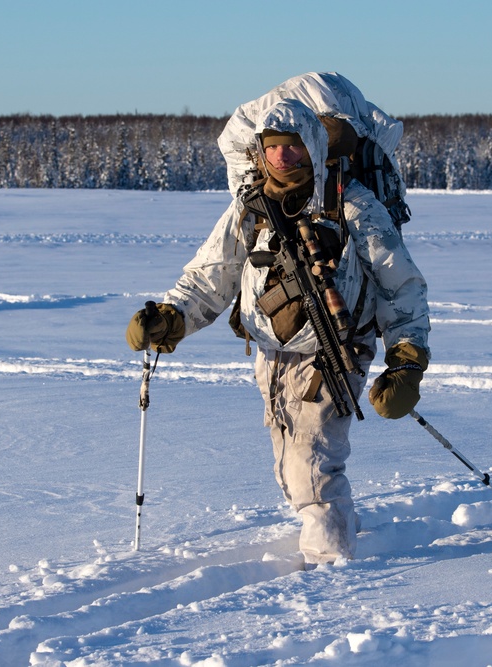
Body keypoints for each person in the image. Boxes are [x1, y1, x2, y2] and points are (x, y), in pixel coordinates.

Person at [126, 97, 430, 567]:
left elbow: (400, 285)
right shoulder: (249, 207)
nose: (281, 159)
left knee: (311, 461)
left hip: (335, 349)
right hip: (270, 353)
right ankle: (338, 525)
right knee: (291, 464)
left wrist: (406, 362)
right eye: (272, 149)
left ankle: (332, 568)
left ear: (310, 147)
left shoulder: (352, 204)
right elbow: (212, 275)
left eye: (291, 149)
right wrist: (173, 316)